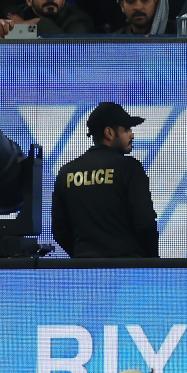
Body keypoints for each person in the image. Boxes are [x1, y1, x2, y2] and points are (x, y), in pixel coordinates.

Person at [51, 102, 159, 258]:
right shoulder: (129, 168)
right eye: (127, 129)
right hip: (128, 271)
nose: (132, 135)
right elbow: (145, 223)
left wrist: (83, 256)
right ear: (109, 132)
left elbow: (60, 231)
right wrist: (151, 260)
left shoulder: (66, 172)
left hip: (85, 273)